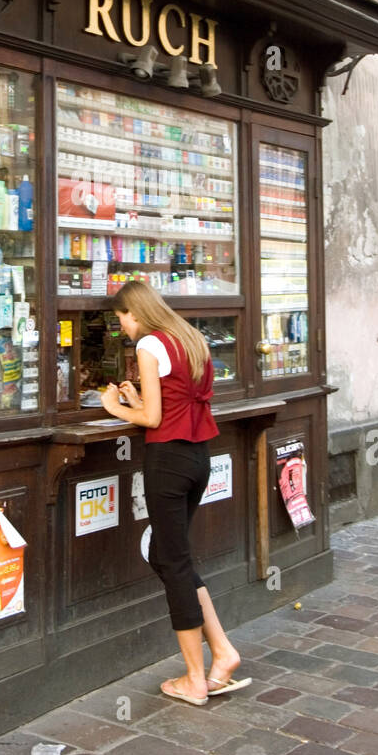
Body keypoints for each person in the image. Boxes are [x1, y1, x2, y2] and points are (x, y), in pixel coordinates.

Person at [100, 280, 250, 706]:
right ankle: (222, 653)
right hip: (198, 458)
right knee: (171, 557)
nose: (123, 328)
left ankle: (195, 679)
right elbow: (177, 398)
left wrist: (116, 406)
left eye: (121, 319)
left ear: (134, 312)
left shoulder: (148, 344)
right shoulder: (190, 337)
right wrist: (141, 395)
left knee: (175, 564)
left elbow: (152, 417)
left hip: (166, 462)